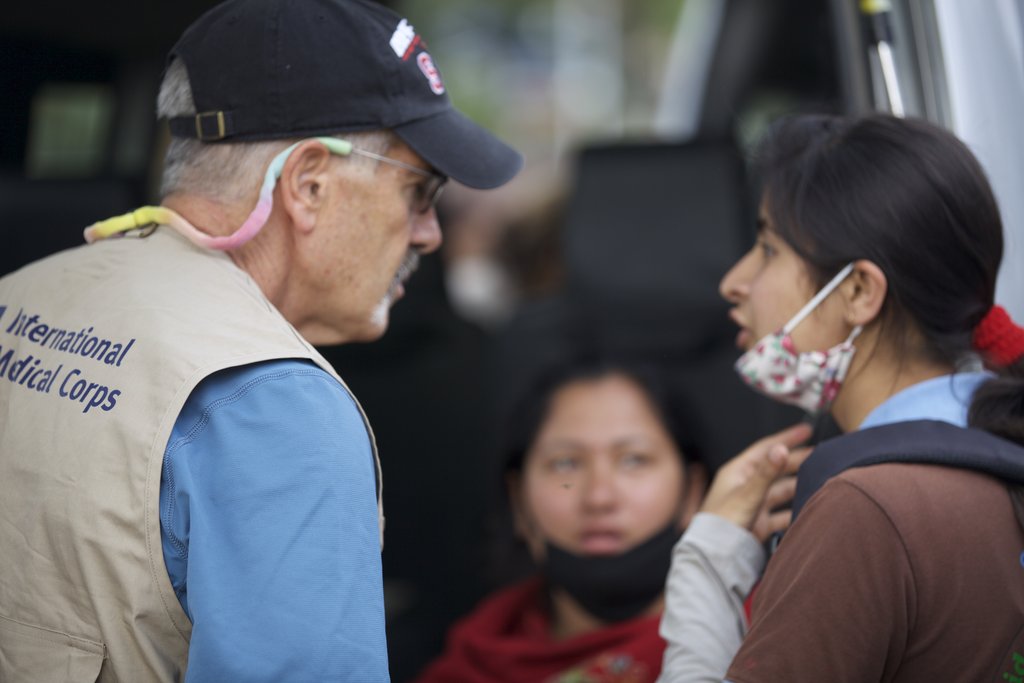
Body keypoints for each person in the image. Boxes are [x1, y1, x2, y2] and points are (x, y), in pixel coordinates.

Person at [0, 1, 522, 681]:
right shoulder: (280, 405)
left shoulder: (23, 293)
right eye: (418, 192)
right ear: (307, 184)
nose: (429, 232)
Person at [657, 113, 1024, 682]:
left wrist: (709, 554)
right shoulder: (1001, 448)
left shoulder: (868, 509)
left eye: (768, 247)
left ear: (857, 292)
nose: (735, 280)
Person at [419, 358, 774, 683]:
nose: (599, 497)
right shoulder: (469, 663)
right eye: (565, 463)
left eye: (634, 460)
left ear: (693, 491)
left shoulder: (760, 649)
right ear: (518, 500)